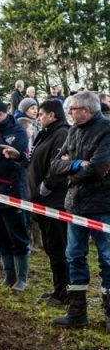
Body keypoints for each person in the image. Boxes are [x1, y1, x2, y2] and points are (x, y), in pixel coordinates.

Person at [50, 92, 110, 329]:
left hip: (103, 206)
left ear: (87, 109)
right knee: (74, 255)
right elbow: (56, 165)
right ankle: (77, 312)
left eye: (73, 109)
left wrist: (72, 178)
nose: (70, 112)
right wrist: (74, 164)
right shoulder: (72, 131)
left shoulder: (107, 130)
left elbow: (97, 168)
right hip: (75, 206)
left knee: (107, 258)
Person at [0, 99, 31, 292]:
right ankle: (9, 275)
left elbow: (14, 156)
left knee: (17, 237)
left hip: (12, 193)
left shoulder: (17, 132)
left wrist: (13, 153)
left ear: (0, 114)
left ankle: (22, 278)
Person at [26, 99, 70, 306]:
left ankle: (64, 293)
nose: (38, 117)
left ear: (51, 115)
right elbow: (36, 160)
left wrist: (46, 186)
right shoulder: (47, 133)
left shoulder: (61, 134)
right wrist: (20, 158)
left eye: (41, 114)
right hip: (42, 201)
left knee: (58, 248)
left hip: (55, 201)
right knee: (51, 248)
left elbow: (58, 166)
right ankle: (58, 288)